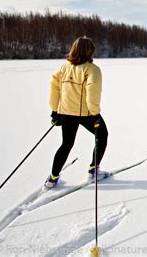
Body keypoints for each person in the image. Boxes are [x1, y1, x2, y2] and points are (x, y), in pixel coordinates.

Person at [45, 37, 109, 189]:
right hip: (86, 114)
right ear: (89, 51)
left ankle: (52, 179)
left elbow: (54, 88)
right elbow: (92, 93)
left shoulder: (64, 67)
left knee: (66, 144)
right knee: (102, 135)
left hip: (66, 113)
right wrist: (96, 115)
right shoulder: (92, 69)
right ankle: (93, 170)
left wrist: (55, 111)